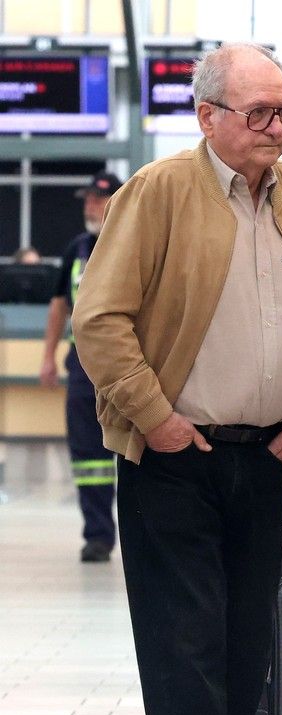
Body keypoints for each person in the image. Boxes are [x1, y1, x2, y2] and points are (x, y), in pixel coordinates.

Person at [72, 42, 282, 715]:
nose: (274, 129)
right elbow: (101, 319)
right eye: (258, 113)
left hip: (268, 455)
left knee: (243, 648)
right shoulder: (158, 193)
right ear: (209, 116)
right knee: (183, 641)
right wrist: (154, 418)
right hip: (171, 457)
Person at [39, 171, 123, 562]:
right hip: (83, 369)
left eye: (98, 199)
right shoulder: (77, 249)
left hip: (128, 367)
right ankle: (99, 535)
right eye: (88, 200)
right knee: (89, 458)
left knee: (142, 453)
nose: (91, 206)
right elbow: (60, 306)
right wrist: (48, 357)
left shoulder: (131, 243)